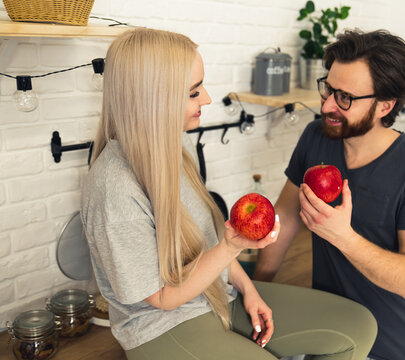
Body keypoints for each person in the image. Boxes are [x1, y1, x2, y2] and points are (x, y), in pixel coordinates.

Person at [81, 28, 377, 360]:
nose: (206, 99)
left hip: (218, 295)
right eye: (193, 92)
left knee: (358, 325)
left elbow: (208, 239)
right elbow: (163, 298)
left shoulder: (176, 144)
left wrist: (248, 289)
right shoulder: (114, 188)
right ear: (154, 99)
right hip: (162, 326)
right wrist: (231, 247)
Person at [253, 29, 405, 360]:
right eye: (328, 89)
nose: (328, 104)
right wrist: (256, 291)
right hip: (331, 329)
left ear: (386, 105)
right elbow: (284, 218)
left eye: (345, 97)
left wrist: (342, 236)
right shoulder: (317, 136)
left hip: (395, 347)